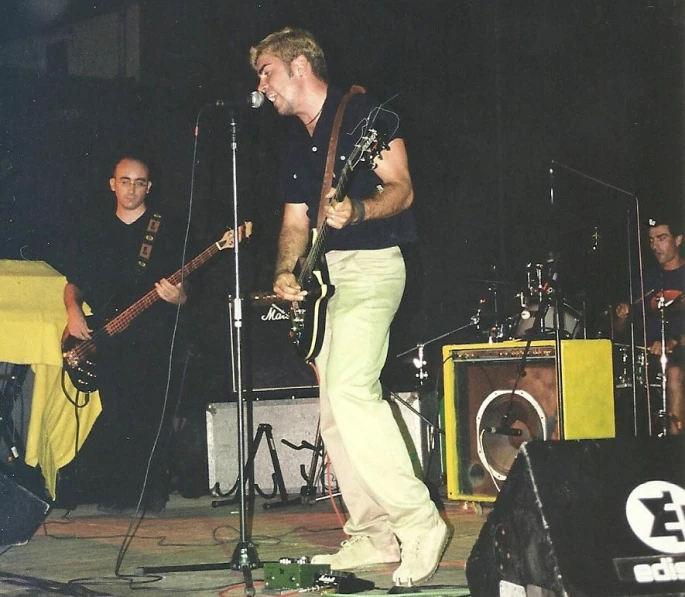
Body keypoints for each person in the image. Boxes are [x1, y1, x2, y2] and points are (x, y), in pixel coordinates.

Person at [249, 28, 449, 586]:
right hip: (327, 282)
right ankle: (374, 531)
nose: (260, 85)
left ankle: (419, 522)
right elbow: (295, 223)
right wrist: (285, 272)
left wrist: (357, 211)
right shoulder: (294, 138)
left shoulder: (362, 112)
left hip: (375, 265)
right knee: (334, 410)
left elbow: (402, 188)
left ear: (299, 66)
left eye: (266, 71)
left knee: (351, 390)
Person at [63, 154, 193, 514]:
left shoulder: (166, 229)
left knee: (150, 413)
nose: (132, 188)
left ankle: (150, 495)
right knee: (118, 411)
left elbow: (189, 291)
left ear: (149, 186)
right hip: (107, 338)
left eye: (139, 182)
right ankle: (119, 493)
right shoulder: (96, 230)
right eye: (125, 180)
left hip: (153, 336)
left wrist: (179, 297)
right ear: (112, 184)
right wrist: (73, 311)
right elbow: (74, 283)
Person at [615, 215, 685, 435]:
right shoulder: (646, 280)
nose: (655, 245)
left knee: (674, 372)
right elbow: (616, 332)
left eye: (662, 238)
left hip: (679, 354)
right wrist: (621, 315)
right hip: (649, 356)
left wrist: (674, 341)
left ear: (679, 239)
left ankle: (674, 448)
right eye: (651, 240)